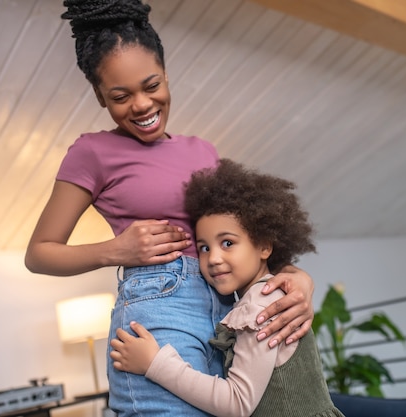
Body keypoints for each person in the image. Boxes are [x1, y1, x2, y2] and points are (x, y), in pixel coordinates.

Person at [24, 1, 316, 416]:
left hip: (226, 311)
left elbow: (241, 238)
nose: (141, 105)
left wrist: (297, 277)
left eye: (152, 85)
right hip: (158, 307)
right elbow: (39, 253)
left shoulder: (203, 151)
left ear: (166, 74)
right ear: (99, 95)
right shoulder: (92, 152)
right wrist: (117, 251)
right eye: (120, 96)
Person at [110, 159, 344, 417]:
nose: (214, 258)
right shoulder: (265, 297)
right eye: (204, 248)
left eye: (228, 243)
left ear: (265, 246)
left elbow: (237, 403)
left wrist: (155, 364)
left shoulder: (260, 304)